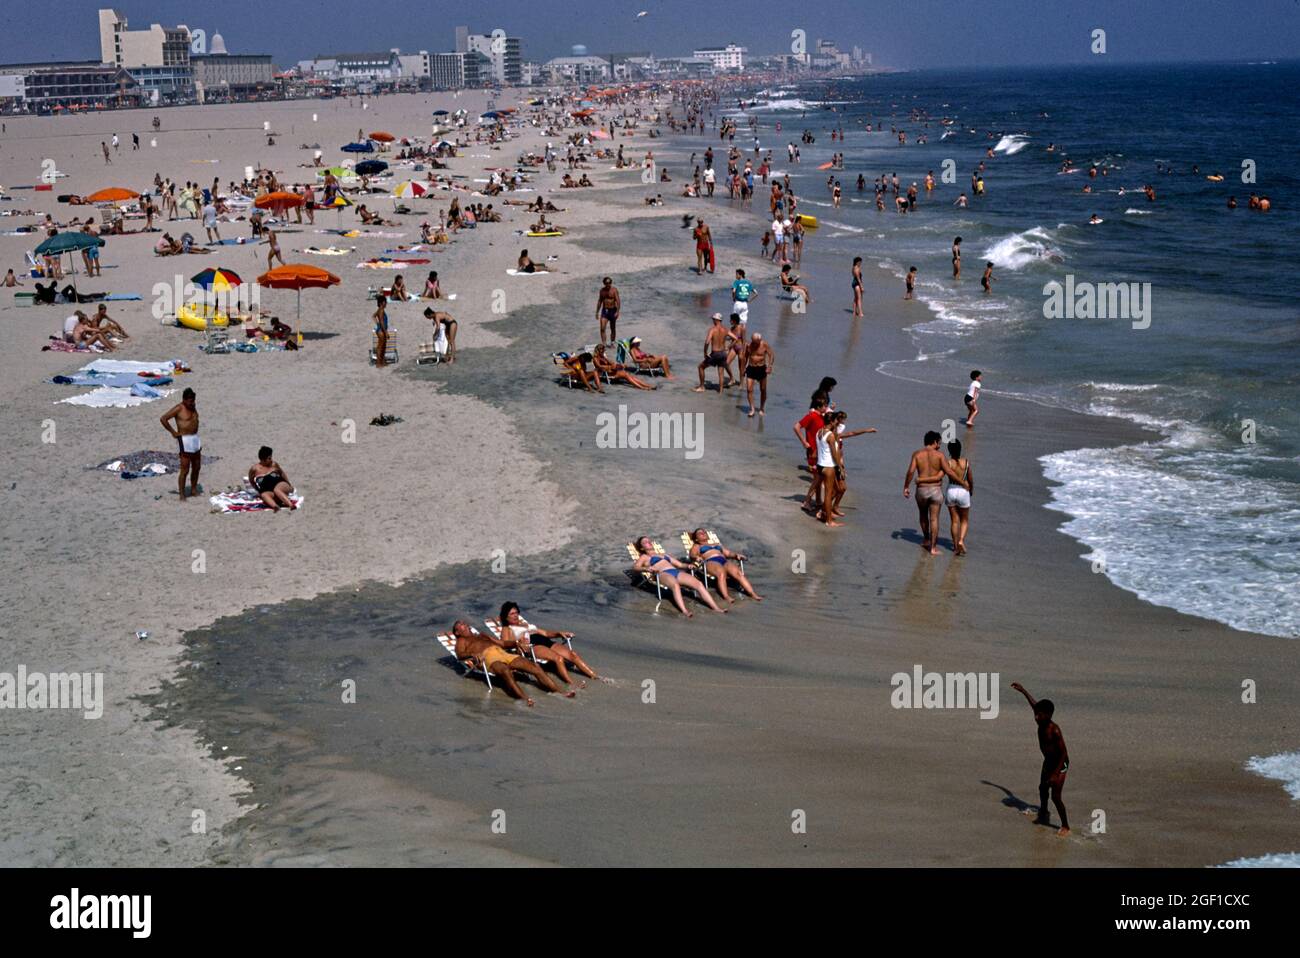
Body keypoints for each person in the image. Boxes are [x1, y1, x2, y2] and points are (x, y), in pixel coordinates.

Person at [448, 620, 573, 706]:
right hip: (488, 657)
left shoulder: (481, 635)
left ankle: (559, 692)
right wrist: (472, 654)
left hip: (503, 653)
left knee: (535, 667)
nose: (465, 624)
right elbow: (460, 655)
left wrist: (515, 643)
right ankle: (525, 699)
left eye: (464, 623)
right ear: (457, 632)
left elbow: (502, 643)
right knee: (506, 671)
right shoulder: (462, 641)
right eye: (461, 625)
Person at [489, 601, 599, 686]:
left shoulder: (526, 625)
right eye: (511, 614)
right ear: (506, 617)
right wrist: (518, 642)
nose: (515, 615)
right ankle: (571, 683)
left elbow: (545, 633)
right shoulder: (507, 628)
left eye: (516, 612)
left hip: (544, 640)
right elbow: (505, 643)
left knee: (573, 655)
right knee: (558, 659)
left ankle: (594, 676)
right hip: (533, 645)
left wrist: (559, 633)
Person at [1010, 682, 1070, 836]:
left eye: (1039, 715)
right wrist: (1023, 690)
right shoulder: (1041, 718)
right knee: (1042, 788)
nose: (1036, 717)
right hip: (1049, 761)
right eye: (1036, 714)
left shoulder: (1054, 730)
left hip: (1060, 764)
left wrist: (1055, 774)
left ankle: (1065, 826)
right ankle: (1043, 810)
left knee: (1056, 796)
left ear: (1048, 715)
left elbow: (1064, 753)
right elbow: (1034, 704)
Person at [904, 430, 968, 555]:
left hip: (921, 490)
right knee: (934, 519)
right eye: (939, 442)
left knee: (923, 515)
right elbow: (949, 472)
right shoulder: (940, 456)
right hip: (935, 490)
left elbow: (910, 471)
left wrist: (906, 486)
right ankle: (933, 548)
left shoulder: (917, 454)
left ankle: (926, 539)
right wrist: (962, 482)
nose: (939, 445)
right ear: (934, 441)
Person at [632, 536, 726, 618]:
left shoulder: (664, 555)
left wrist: (688, 566)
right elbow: (636, 567)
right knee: (675, 586)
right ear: (642, 548)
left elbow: (680, 565)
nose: (648, 542)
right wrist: (646, 568)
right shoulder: (644, 557)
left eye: (648, 540)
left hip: (675, 571)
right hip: (662, 574)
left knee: (698, 584)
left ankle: (716, 608)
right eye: (644, 542)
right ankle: (685, 611)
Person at [687, 529, 762, 602]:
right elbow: (692, 555)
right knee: (721, 573)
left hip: (724, 560)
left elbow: (728, 553)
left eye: (704, 532)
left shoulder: (716, 544)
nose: (703, 533)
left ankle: (753, 594)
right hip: (711, 561)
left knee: (738, 573)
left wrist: (736, 555)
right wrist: (696, 557)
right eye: (700, 533)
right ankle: (726, 596)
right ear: (696, 539)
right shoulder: (697, 546)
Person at [160, 388, 202, 501]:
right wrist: (173, 432)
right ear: (184, 399)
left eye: (193, 400)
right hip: (184, 439)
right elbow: (163, 419)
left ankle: (193, 490)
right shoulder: (179, 408)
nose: (192, 403)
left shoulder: (193, 406)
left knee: (197, 466)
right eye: (190, 401)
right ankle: (182, 494)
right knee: (185, 469)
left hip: (195, 438)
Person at [944, 440, 973, 555]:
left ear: (949, 450)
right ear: (960, 449)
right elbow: (970, 478)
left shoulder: (948, 462)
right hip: (963, 491)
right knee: (964, 519)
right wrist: (971, 490)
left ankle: (955, 547)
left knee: (954, 520)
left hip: (951, 490)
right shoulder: (966, 462)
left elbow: (943, 474)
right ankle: (961, 540)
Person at [694, 313, 736, 393]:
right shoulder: (725, 329)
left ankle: (702, 387)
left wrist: (705, 352)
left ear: (717, 320)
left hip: (715, 354)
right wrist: (729, 347)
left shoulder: (712, 329)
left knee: (701, 367)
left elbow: (707, 342)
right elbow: (735, 338)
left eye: (713, 319)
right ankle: (720, 391)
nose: (713, 321)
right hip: (723, 353)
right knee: (721, 372)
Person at [248, 446, 296, 511]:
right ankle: (275, 507)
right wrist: (257, 489)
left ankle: (291, 505)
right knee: (264, 495)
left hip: (280, 484)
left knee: (277, 490)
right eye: (269, 458)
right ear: (263, 459)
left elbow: (282, 473)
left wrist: (289, 484)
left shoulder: (274, 464)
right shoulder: (254, 469)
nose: (271, 460)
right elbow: (251, 480)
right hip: (269, 490)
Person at [743, 333, 774, 417]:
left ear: (759, 341)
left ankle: (761, 408)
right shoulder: (749, 345)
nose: (754, 344)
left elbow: (771, 354)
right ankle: (752, 409)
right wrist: (743, 368)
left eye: (755, 342)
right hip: (751, 368)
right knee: (749, 390)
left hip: (761, 369)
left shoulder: (764, 344)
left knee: (763, 389)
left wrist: (770, 366)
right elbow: (745, 357)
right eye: (753, 341)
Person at [596, 276, 620, 345]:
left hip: (613, 310)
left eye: (609, 283)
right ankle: (604, 344)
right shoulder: (602, 291)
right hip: (605, 311)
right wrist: (597, 312)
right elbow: (600, 301)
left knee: (612, 328)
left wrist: (617, 311)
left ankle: (612, 343)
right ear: (604, 283)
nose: (608, 284)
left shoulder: (614, 290)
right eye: (607, 283)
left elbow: (618, 301)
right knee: (602, 328)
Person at [372, 295, 390, 368]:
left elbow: (373, 316)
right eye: (385, 302)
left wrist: (377, 323)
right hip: (381, 331)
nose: (386, 303)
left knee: (383, 346)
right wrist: (386, 332)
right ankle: (378, 363)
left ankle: (382, 361)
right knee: (380, 347)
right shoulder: (381, 310)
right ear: (381, 303)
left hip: (381, 330)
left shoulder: (380, 309)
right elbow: (382, 322)